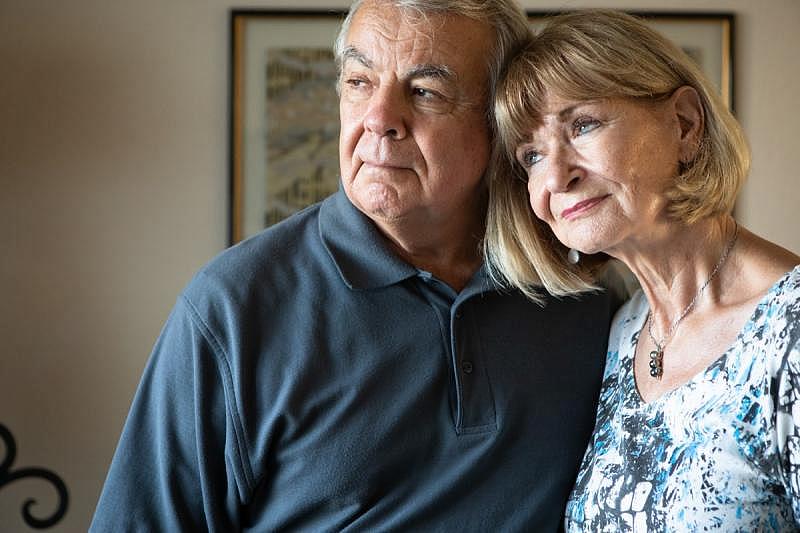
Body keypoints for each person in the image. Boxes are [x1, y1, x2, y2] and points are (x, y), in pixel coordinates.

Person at [90, 1, 621, 530]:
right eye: (360, 82)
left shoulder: (582, 286)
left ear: (498, 118)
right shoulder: (233, 307)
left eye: (425, 92)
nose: (380, 119)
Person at [485, 8, 800, 532]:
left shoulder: (789, 333)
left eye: (582, 125)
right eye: (531, 156)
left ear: (684, 125)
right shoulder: (620, 331)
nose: (556, 176)